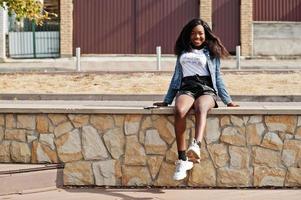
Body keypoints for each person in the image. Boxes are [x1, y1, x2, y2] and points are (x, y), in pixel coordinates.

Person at [153, 18, 239, 181]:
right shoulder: (183, 52)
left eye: (200, 33)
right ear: (188, 35)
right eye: (193, 33)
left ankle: (196, 145)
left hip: (206, 88)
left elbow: (218, 77)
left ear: (205, 35)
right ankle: (182, 159)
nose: (196, 37)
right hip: (187, 87)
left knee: (201, 108)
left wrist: (228, 101)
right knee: (179, 110)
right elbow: (176, 77)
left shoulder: (211, 52)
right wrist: (167, 100)